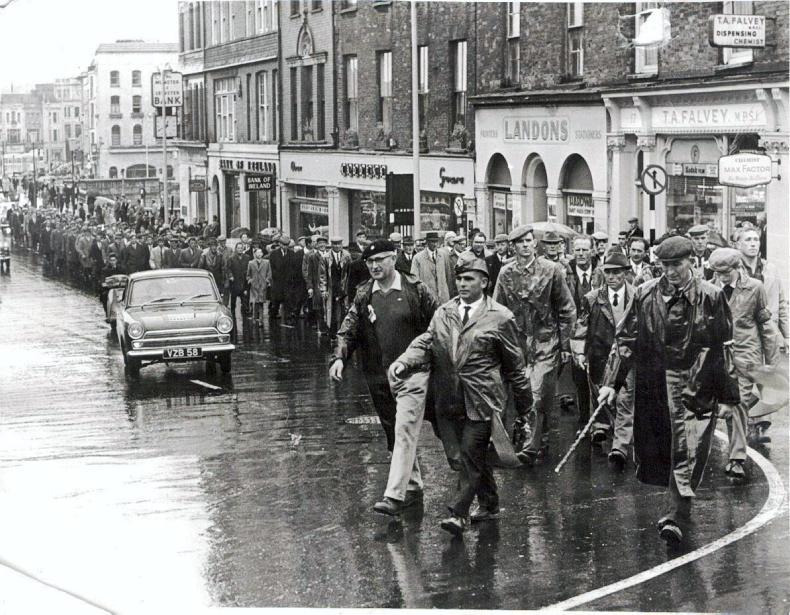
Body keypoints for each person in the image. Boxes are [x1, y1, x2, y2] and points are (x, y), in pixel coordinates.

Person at [597, 236, 738, 545]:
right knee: (664, 452)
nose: (671, 272)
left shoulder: (711, 297)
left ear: (692, 262)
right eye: (665, 265)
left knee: (688, 453)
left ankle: (676, 516)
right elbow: (626, 340)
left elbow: (724, 347)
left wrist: (729, 396)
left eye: (677, 264)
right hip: (656, 386)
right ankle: (675, 509)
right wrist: (611, 382)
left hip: (697, 387)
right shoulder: (646, 294)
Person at [390, 252, 532, 535]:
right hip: (448, 397)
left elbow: (516, 366)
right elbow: (427, 341)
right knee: (462, 457)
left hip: (483, 398)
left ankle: (458, 513)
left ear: (484, 282)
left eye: (469, 279)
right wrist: (405, 360)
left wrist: (525, 408)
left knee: (470, 452)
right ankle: (490, 503)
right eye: (459, 279)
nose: (462, 284)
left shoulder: (501, 318)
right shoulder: (444, 312)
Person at [331, 240, 438, 454]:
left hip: (414, 374)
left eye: (380, 260)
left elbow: (439, 323)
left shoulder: (415, 289)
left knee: (432, 423)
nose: (374, 266)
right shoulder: (364, 294)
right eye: (369, 261)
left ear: (394, 257)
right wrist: (339, 358)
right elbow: (348, 329)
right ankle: (409, 483)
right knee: (394, 432)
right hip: (380, 376)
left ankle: (462, 465)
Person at [493, 225, 576, 464]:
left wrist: (565, 345)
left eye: (529, 241)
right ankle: (530, 437)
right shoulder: (506, 273)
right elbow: (498, 309)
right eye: (520, 242)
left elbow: (567, 309)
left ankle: (533, 446)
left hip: (545, 341)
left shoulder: (552, 270)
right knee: (519, 391)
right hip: (516, 342)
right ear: (514, 246)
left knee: (538, 392)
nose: (525, 246)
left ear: (534, 244)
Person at [708, 247, 778, 477]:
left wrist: (771, 364)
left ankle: (736, 457)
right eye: (717, 273)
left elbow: (766, 326)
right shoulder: (709, 289)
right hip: (717, 358)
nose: (721, 277)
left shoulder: (755, 288)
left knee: (736, 402)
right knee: (716, 404)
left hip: (746, 357)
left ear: (737, 268)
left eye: (725, 272)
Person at [572, 251, 636, 471]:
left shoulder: (636, 296)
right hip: (599, 353)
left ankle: (620, 447)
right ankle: (601, 425)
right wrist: (580, 352)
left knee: (625, 398)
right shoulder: (592, 298)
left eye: (617, 273)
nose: (612, 277)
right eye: (608, 272)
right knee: (601, 395)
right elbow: (581, 326)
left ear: (625, 273)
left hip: (627, 356)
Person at [565, 235, 604, 431]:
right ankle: (584, 421)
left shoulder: (602, 273)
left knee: (599, 376)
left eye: (584, 250)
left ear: (592, 251)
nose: (580, 254)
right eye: (577, 250)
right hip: (575, 334)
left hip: (598, 332)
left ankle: (601, 424)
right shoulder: (565, 274)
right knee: (579, 377)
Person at [736, 226, 788, 357]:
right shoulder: (734, 271)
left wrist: (787, 335)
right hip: (745, 335)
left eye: (756, 239)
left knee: (771, 373)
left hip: (769, 330)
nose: (753, 243)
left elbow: (781, 303)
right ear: (738, 245)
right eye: (748, 240)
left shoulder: (771, 269)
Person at [411, 231, 452, 304]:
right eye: (432, 242)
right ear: (427, 242)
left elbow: (448, 276)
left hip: (443, 298)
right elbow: (414, 279)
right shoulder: (418, 258)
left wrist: (447, 293)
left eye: (436, 241)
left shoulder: (443, 255)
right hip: (427, 299)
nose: (435, 244)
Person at [325, 237, 352, 337]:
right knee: (331, 310)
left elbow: (349, 272)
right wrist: (324, 290)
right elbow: (323, 275)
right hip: (331, 286)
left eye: (339, 244)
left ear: (342, 244)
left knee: (343, 308)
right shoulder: (326, 256)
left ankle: (342, 331)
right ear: (331, 245)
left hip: (343, 286)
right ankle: (332, 332)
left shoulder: (347, 256)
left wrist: (348, 287)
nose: (337, 246)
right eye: (334, 244)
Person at [302, 235, 326, 330]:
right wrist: (310, 286)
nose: (321, 245)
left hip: (327, 284)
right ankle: (318, 325)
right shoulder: (311, 256)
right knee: (317, 306)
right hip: (316, 284)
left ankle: (326, 326)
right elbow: (308, 272)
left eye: (323, 243)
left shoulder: (329, 255)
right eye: (319, 243)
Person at [268, 235, 292, 319]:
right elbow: (272, 267)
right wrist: (274, 277)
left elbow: (292, 267)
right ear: (280, 244)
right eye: (283, 244)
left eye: (287, 245)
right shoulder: (274, 254)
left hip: (287, 281)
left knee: (288, 299)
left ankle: (288, 316)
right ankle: (273, 313)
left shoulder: (291, 253)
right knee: (276, 299)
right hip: (277, 280)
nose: (285, 246)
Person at [227, 241, 251, 325]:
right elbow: (228, 269)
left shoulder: (247, 257)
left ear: (243, 249)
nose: (240, 250)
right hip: (235, 282)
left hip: (244, 282)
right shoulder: (231, 258)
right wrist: (230, 276)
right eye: (238, 248)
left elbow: (249, 268)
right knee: (233, 302)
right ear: (236, 249)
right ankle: (232, 319)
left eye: (241, 248)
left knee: (245, 301)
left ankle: (246, 321)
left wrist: (249, 277)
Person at [247, 247, 272, 324]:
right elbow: (248, 274)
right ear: (254, 254)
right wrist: (250, 280)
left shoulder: (266, 262)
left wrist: (267, 280)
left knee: (261, 302)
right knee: (255, 303)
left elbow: (269, 273)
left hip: (262, 285)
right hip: (254, 286)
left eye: (261, 252)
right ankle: (254, 318)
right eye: (258, 252)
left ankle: (261, 320)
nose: (259, 254)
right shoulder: (251, 263)